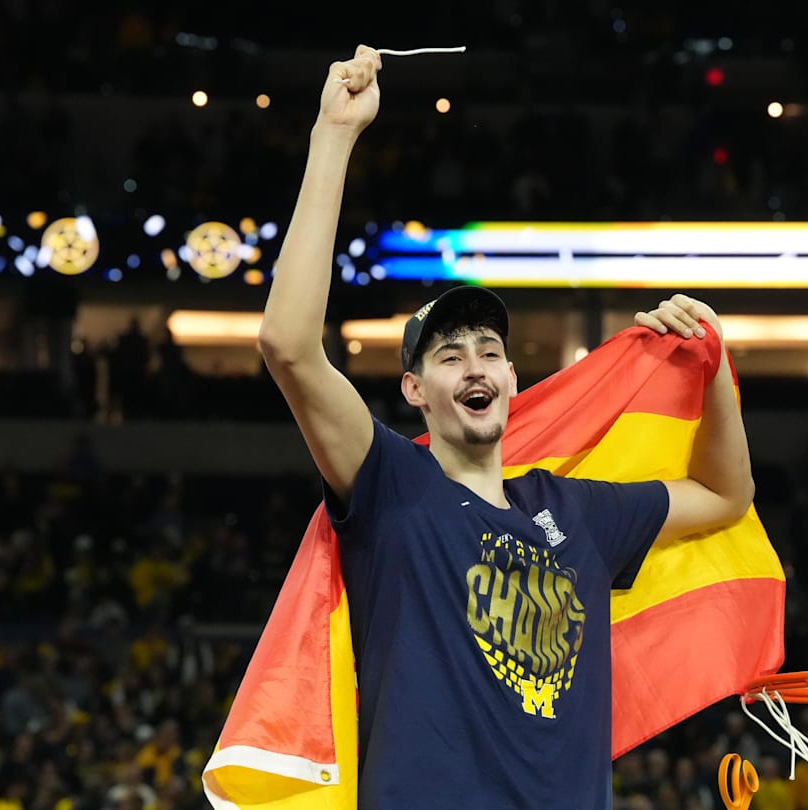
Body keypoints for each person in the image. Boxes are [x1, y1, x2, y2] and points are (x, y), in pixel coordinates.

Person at [257, 45, 755, 809]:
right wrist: (334, 134)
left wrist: (711, 361)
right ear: (415, 391)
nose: (476, 365)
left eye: (490, 351)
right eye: (450, 356)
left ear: (513, 380)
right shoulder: (392, 485)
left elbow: (726, 495)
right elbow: (288, 347)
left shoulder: (577, 510)